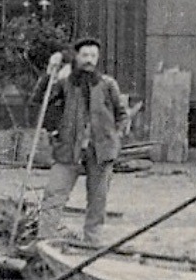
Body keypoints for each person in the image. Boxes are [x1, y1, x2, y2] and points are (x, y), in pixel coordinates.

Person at [35, 38, 131, 247]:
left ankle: (92, 245)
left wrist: (115, 137)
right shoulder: (64, 84)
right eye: (85, 55)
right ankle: (44, 244)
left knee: (97, 201)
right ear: (76, 57)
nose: (89, 60)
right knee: (53, 196)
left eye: (93, 56)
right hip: (68, 150)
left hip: (101, 152)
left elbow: (122, 115)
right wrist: (49, 73)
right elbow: (39, 101)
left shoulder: (107, 85)